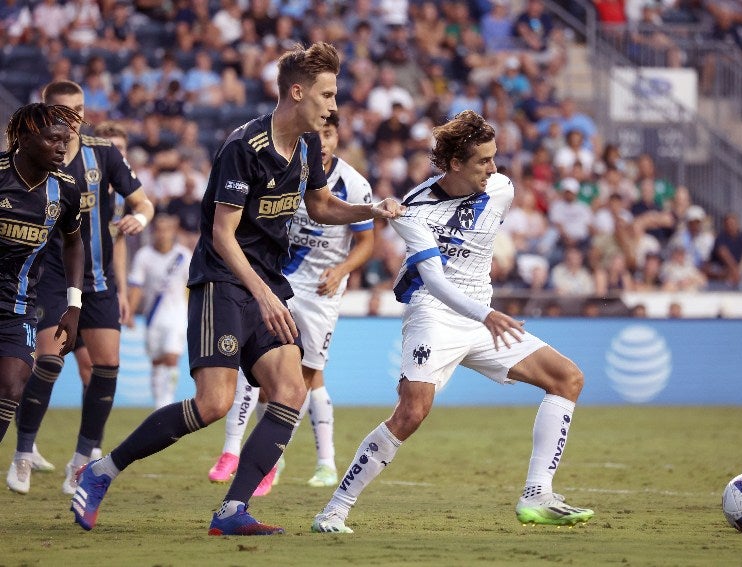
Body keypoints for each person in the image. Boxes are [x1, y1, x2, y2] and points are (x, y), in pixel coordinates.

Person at [69, 42, 403, 536]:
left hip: (266, 281)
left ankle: (231, 511)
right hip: (221, 281)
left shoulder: (309, 143)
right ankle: (100, 472)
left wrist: (368, 210)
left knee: (290, 390)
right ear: (296, 91)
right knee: (214, 404)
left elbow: (320, 205)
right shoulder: (244, 148)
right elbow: (222, 236)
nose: (334, 106)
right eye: (327, 94)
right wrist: (266, 295)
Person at [311, 110, 593, 534]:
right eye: (483, 161)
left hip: (483, 318)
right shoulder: (415, 212)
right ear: (455, 164)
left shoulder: (501, 189)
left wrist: (485, 314)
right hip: (436, 315)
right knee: (410, 413)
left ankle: (537, 494)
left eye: (494, 158)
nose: (494, 169)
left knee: (567, 378)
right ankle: (334, 510)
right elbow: (437, 283)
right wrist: (487, 314)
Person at [209, 111, 375, 493]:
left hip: (321, 291)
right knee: (256, 364)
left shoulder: (354, 184)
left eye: (330, 134)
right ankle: (237, 451)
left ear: (336, 138)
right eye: (320, 133)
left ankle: (295, 460)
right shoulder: (288, 166)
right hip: (279, 279)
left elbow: (367, 242)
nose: (324, 141)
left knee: (307, 377)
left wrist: (340, 271)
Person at [8, 81, 155, 496]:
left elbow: (143, 202)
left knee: (106, 366)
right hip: (51, 277)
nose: (72, 119)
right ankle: (23, 452)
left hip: (100, 280)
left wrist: (139, 220)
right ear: (45, 111)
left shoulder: (103, 152)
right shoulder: (36, 155)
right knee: (49, 361)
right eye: (62, 110)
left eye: (78, 109)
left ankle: (81, 460)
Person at [0, 103, 84, 450]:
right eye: (53, 140)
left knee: (13, 385)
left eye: (66, 141)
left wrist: (74, 304)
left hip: (17, 307)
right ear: (24, 137)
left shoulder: (65, 190)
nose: (62, 148)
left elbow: (74, 243)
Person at [125, 214, 192, 409]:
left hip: (177, 315)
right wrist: (129, 311)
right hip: (153, 316)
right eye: (159, 229)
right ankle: (158, 404)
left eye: (166, 229)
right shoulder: (144, 256)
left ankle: (166, 400)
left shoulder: (183, 256)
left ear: (173, 232)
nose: (162, 234)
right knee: (157, 360)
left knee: (172, 356)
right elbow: (136, 285)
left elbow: (192, 284)